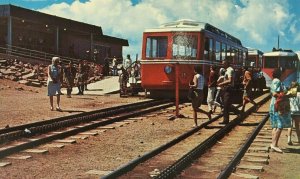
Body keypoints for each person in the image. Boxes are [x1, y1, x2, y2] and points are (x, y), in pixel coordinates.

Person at [269, 69, 292, 153]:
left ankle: (273, 144)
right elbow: (275, 93)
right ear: (280, 74)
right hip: (278, 105)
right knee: (280, 125)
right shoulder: (277, 81)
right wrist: (286, 95)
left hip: (275, 104)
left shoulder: (275, 80)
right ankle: (274, 145)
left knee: (275, 125)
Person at [217, 60, 241, 124]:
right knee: (226, 104)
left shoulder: (229, 70)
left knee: (226, 104)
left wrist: (221, 83)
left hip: (228, 88)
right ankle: (238, 112)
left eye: (223, 64)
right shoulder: (227, 70)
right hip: (226, 88)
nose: (222, 65)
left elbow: (230, 80)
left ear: (227, 64)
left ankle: (226, 120)